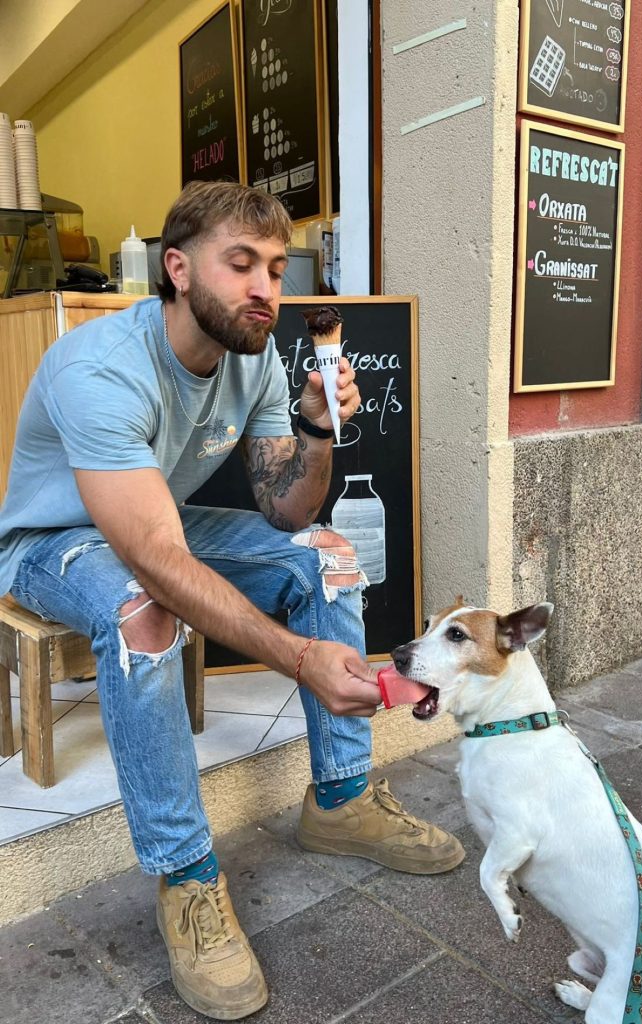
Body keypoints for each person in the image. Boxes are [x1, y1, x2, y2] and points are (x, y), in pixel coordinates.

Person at [0, 181, 465, 1020]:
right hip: (50, 542)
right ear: (178, 269)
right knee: (145, 613)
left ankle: (342, 799)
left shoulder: (254, 356)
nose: (265, 289)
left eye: (277, 270)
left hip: (157, 518)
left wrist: (316, 428)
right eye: (241, 263)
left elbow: (287, 509)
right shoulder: (98, 366)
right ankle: (186, 877)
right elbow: (155, 565)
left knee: (327, 557)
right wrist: (298, 657)